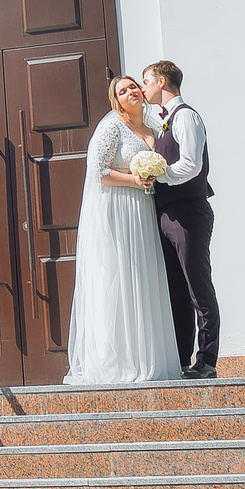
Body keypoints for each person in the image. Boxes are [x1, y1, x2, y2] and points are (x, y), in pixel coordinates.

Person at [61, 75, 183, 385]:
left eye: (133, 87)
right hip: (117, 209)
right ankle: (115, 363)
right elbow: (98, 171)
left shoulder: (154, 127)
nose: (130, 92)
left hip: (142, 211)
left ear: (143, 93)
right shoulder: (111, 127)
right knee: (118, 277)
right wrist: (135, 179)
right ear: (116, 99)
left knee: (143, 279)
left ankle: (148, 357)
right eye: (122, 90)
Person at [142, 59, 219, 379]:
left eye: (146, 81)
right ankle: (180, 358)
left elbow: (191, 164)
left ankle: (207, 360)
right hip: (168, 213)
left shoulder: (185, 117)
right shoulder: (163, 120)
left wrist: (159, 175)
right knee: (176, 290)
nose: (143, 87)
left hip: (189, 211)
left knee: (197, 288)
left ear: (162, 82)